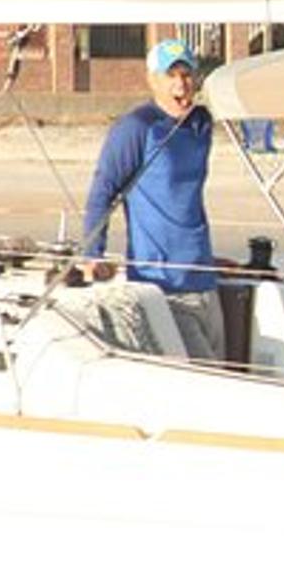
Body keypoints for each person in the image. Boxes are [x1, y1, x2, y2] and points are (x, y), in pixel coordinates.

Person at [81, 38, 223, 360]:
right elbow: (103, 190)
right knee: (208, 378)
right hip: (162, 282)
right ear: (153, 80)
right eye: (170, 75)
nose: (181, 83)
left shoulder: (201, 123)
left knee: (228, 368)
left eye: (186, 75)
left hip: (203, 276)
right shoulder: (137, 127)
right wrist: (93, 253)